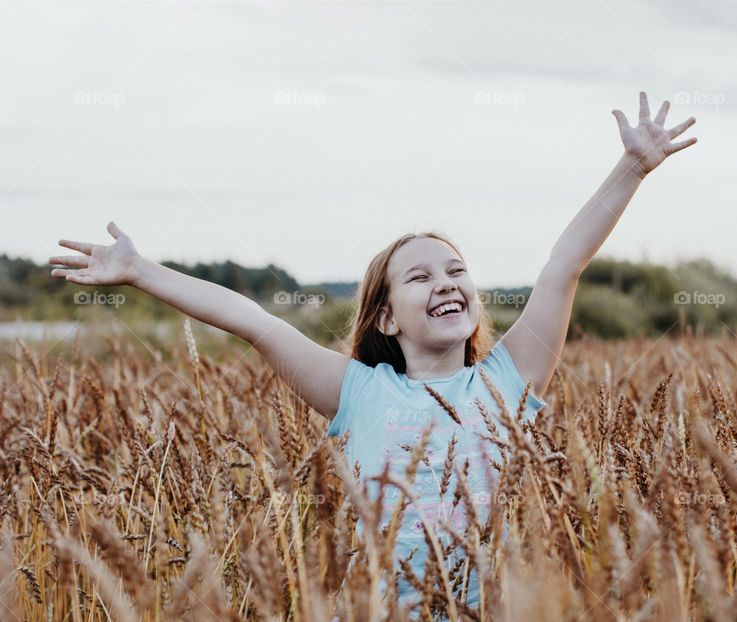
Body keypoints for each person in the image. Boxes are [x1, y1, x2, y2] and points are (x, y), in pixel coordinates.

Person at [49, 90, 696, 619]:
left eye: (454, 271)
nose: (444, 282)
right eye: (419, 278)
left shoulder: (511, 376)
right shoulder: (356, 392)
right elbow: (253, 323)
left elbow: (563, 263)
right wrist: (141, 272)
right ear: (386, 315)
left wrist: (631, 168)